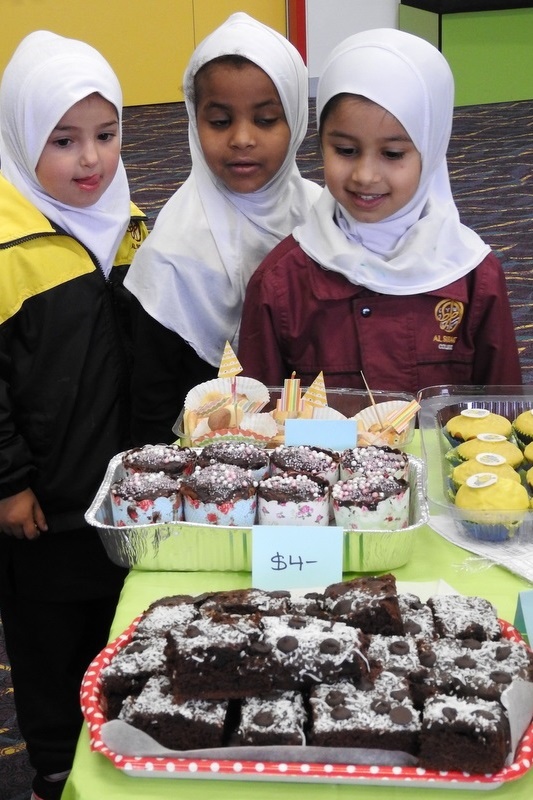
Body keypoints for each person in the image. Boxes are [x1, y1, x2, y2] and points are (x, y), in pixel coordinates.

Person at [0, 31, 147, 800]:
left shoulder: (131, 225)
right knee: (47, 641)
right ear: (23, 139)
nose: (91, 160)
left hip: (120, 495)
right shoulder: (7, 247)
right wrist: (10, 481)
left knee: (117, 624)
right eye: (62, 140)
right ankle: (56, 761)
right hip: (42, 506)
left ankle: (121, 747)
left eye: (106, 134)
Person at [238, 28, 522, 393]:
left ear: (431, 150)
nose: (365, 176)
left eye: (392, 154)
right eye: (345, 150)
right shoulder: (281, 281)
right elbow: (254, 419)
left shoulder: (473, 278)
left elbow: (504, 416)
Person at [124, 12, 322, 445]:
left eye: (267, 119)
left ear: (296, 120)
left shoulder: (323, 217)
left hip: (316, 437)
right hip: (209, 455)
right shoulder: (172, 250)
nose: (242, 139)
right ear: (195, 123)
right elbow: (153, 397)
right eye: (219, 121)